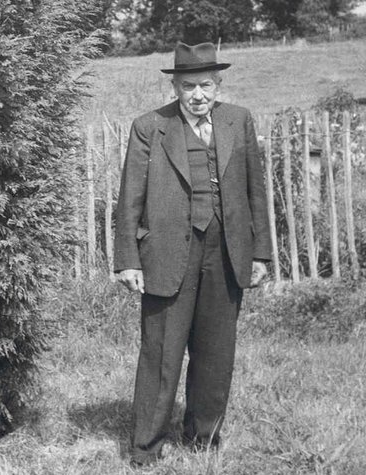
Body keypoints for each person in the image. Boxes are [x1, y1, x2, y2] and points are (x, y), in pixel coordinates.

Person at [113, 41, 271, 466]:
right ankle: (146, 448)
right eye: (189, 87)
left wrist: (261, 253)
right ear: (175, 88)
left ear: (218, 85)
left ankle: (204, 438)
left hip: (226, 251)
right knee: (161, 353)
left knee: (217, 352)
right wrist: (128, 258)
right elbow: (131, 197)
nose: (198, 95)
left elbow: (256, 192)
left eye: (206, 85)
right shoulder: (150, 126)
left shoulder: (238, 121)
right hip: (166, 253)